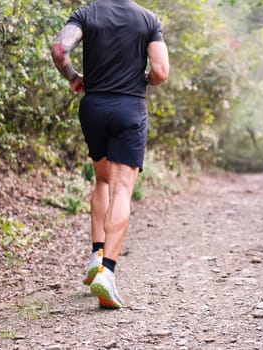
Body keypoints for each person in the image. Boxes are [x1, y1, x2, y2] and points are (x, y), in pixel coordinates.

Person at [51, 0, 169, 309]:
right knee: (122, 190)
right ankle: (108, 272)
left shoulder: (86, 14)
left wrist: (74, 77)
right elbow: (161, 70)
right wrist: (145, 79)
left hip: (94, 109)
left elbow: (59, 49)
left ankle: (96, 254)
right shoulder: (148, 20)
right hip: (129, 109)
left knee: (102, 181)